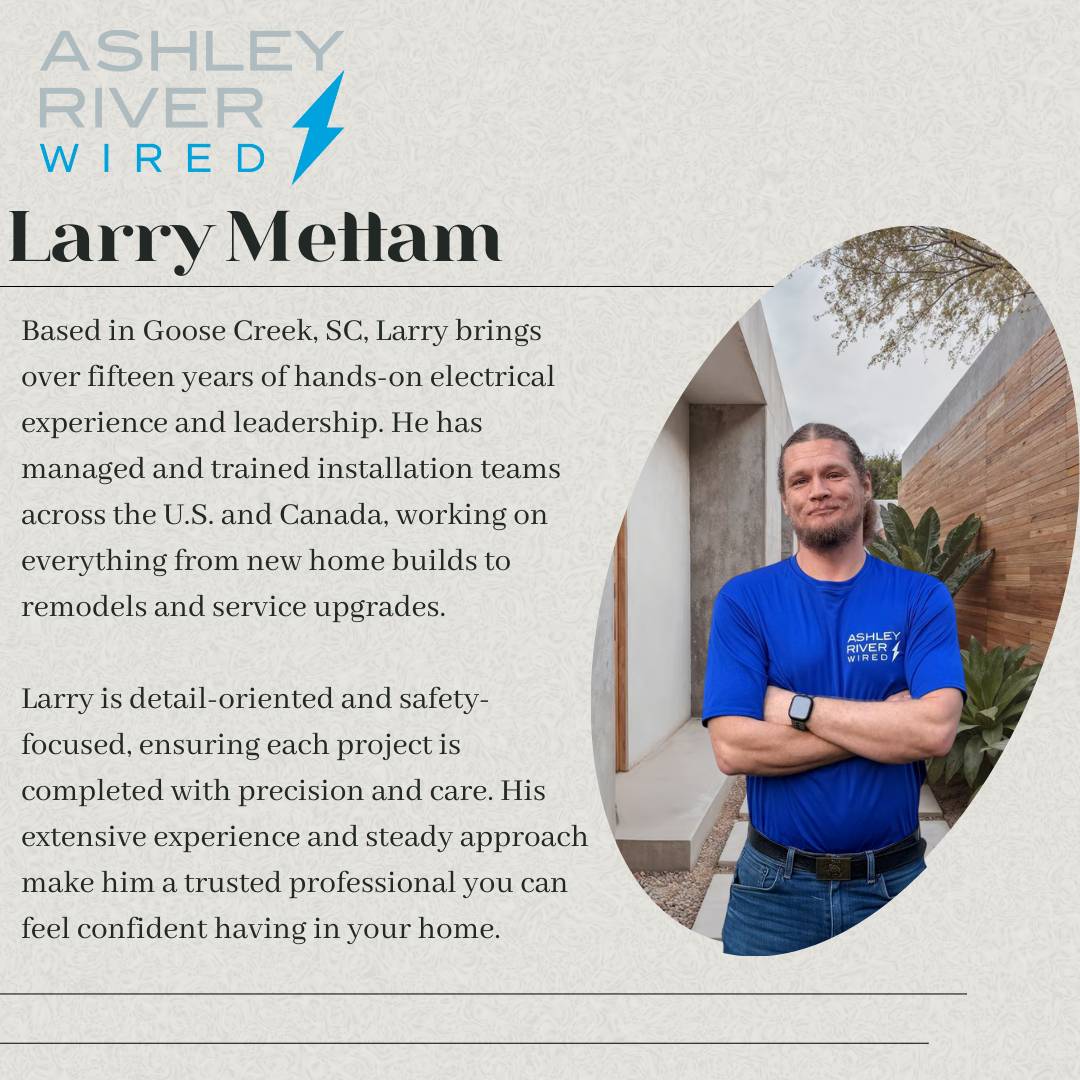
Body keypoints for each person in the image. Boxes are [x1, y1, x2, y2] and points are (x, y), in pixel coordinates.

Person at [703, 422, 964, 955]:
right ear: (785, 500)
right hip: (773, 894)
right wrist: (885, 725)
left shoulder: (921, 597)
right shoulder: (745, 600)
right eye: (800, 481)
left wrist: (794, 707)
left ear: (865, 485)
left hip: (895, 884)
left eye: (833, 474)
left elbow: (934, 731)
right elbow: (733, 748)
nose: (818, 490)